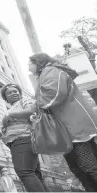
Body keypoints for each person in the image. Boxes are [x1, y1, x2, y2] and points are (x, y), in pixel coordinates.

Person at [29, 52, 97, 191]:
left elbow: (54, 94)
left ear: (39, 62)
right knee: (79, 168)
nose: (28, 66)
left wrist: (36, 106)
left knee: (86, 166)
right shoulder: (50, 72)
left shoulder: (50, 71)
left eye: (30, 63)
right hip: (69, 126)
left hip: (73, 125)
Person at [0, 83, 50, 192]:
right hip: (17, 143)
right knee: (34, 174)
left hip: (23, 138)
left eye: (15, 91)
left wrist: (9, 116)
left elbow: (32, 111)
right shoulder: (10, 109)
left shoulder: (25, 101)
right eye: (9, 92)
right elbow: (4, 128)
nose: (13, 93)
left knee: (24, 172)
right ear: (5, 97)